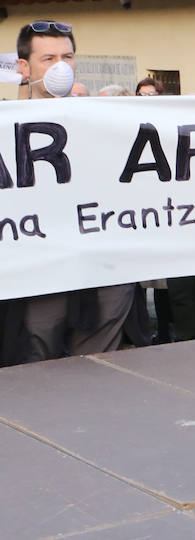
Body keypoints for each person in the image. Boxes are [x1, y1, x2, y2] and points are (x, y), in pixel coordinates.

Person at [15, 21, 138, 361]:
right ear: (24, 67)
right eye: (48, 58)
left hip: (104, 272)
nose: (60, 67)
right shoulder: (7, 127)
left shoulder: (103, 123)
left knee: (100, 367)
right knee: (35, 363)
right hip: (36, 274)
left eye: (67, 57)